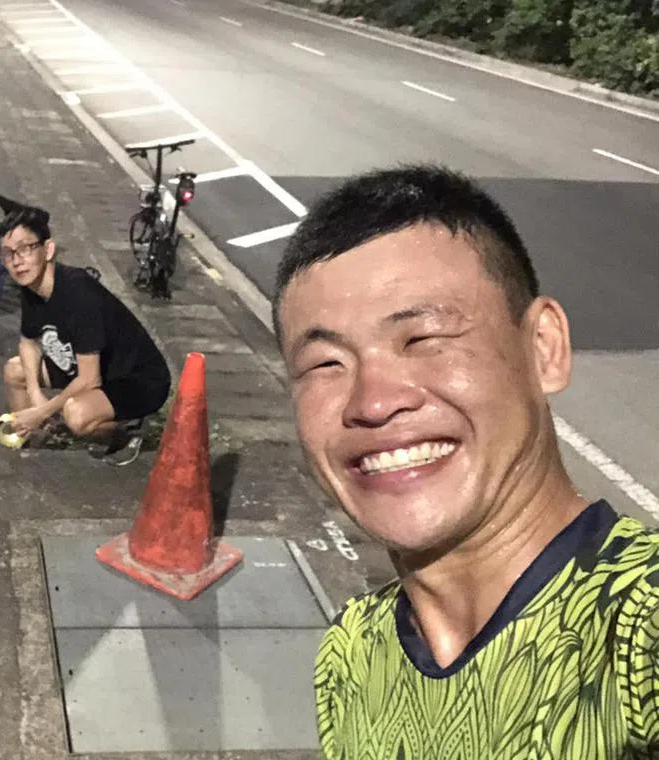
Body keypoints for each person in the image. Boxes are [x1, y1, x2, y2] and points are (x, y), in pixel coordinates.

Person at [271, 164, 659, 757]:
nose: (373, 402)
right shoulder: (352, 652)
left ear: (543, 348)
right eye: (325, 364)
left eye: (424, 338)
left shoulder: (638, 625)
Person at [0, 203, 171, 466]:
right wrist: (35, 396)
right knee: (15, 371)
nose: (17, 260)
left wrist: (45, 410)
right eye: (8, 253)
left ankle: (127, 433)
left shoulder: (79, 294)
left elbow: (90, 379)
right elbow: (28, 343)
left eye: (25, 248)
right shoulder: (31, 286)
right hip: (84, 365)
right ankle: (32, 443)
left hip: (135, 379)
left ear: (48, 250)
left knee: (76, 415)